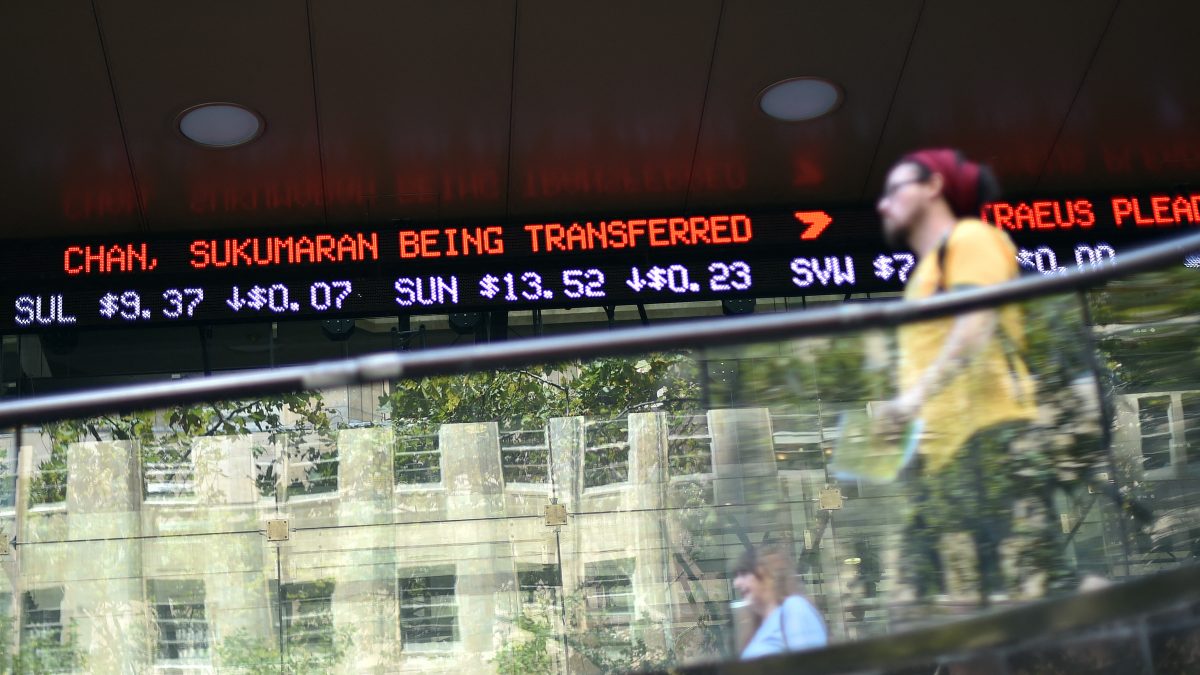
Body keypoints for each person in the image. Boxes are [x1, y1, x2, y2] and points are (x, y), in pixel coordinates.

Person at [874, 149, 1065, 605]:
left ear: (934, 187)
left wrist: (910, 402)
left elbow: (975, 325)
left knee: (1028, 595)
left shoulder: (972, 238)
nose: (883, 204)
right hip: (950, 460)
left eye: (895, 189)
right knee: (965, 607)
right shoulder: (923, 275)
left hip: (996, 440)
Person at [732, 545, 827, 659]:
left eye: (744, 574)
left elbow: (811, 664)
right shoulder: (759, 624)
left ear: (763, 573)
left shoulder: (794, 607)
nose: (736, 583)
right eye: (736, 576)